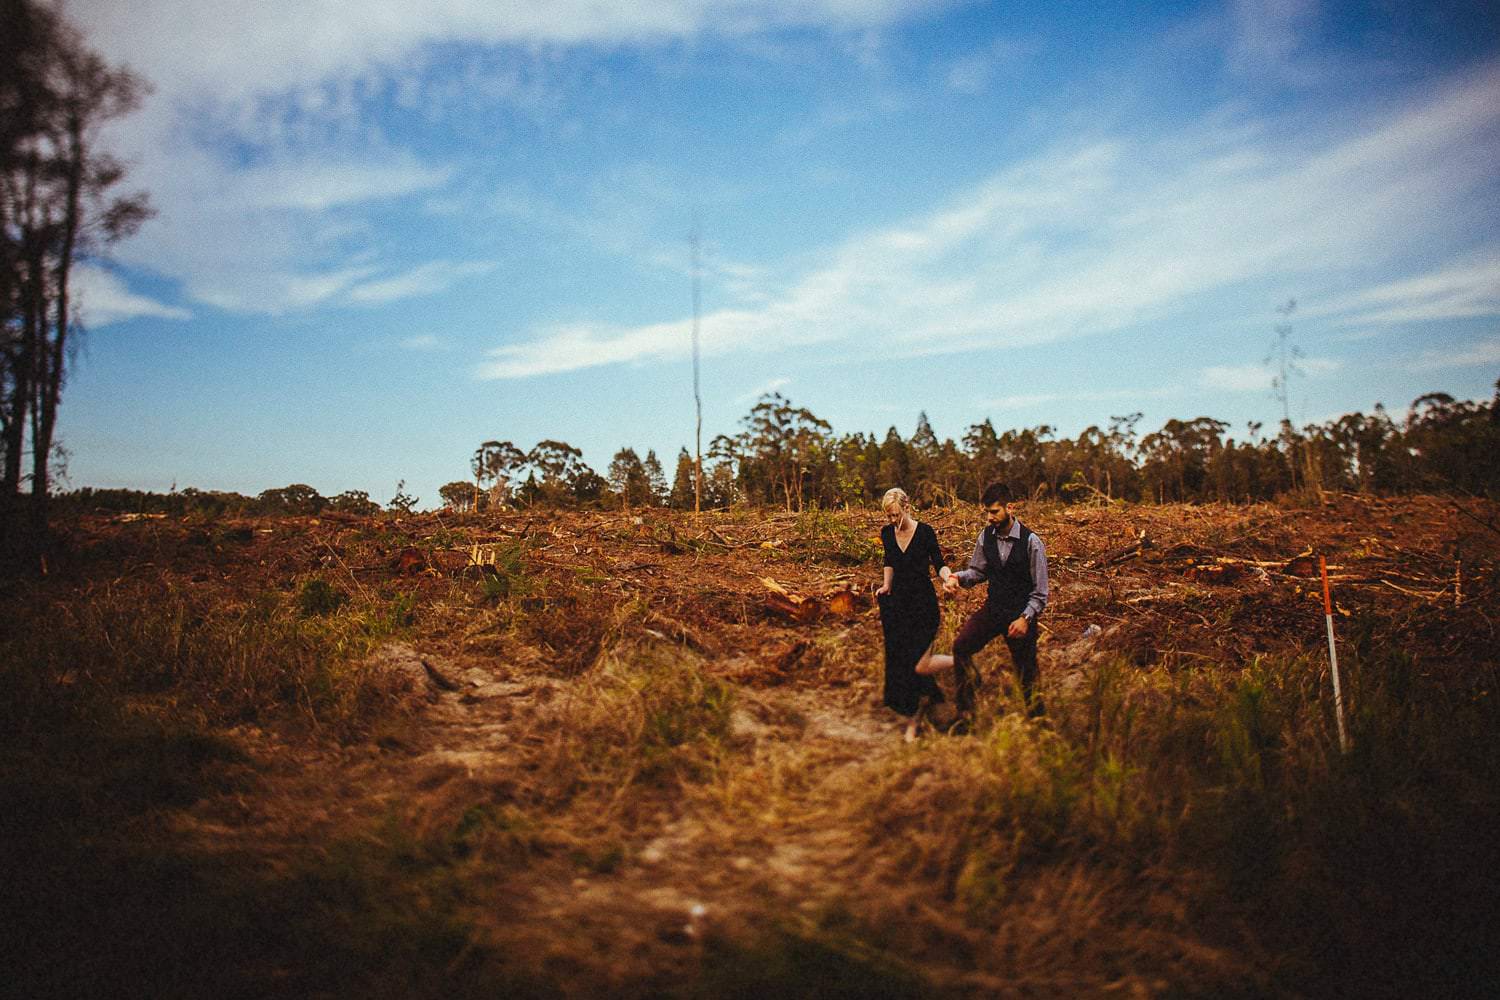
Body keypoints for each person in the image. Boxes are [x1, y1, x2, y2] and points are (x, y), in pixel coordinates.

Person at [940, 481, 1050, 726]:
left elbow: (1041, 592)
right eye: (987, 512)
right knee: (961, 647)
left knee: (1027, 675)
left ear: (1010, 508)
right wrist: (957, 577)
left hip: (1021, 615)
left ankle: (1039, 725)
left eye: (994, 512)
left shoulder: (1032, 542)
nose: (990, 517)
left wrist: (1025, 618)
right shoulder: (985, 536)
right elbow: (977, 571)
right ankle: (965, 715)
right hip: (994, 609)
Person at [875, 487, 954, 741]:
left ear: (907, 508)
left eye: (896, 515)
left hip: (922, 605)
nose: (893, 521)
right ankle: (914, 719)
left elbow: (939, 563)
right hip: (897, 605)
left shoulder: (925, 532)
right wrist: (886, 585)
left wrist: (948, 577)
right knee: (903, 667)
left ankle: (961, 660)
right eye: (889, 516)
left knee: (920, 665)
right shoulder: (887, 533)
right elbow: (889, 560)